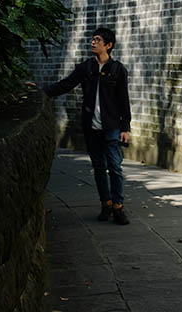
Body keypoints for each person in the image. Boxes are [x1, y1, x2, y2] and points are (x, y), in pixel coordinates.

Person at [41, 27, 132, 225]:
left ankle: (118, 206)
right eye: (92, 39)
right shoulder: (86, 68)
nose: (93, 42)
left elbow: (124, 101)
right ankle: (106, 203)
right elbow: (66, 84)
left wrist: (125, 128)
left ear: (108, 45)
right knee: (99, 168)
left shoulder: (117, 70)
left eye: (98, 40)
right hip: (91, 128)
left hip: (112, 127)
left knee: (115, 167)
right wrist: (42, 92)